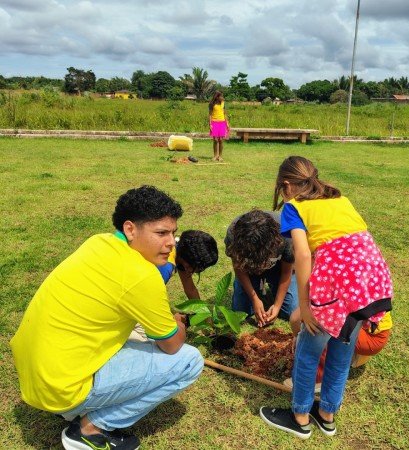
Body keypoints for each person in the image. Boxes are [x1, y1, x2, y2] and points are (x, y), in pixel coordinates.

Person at [10, 186, 204, 450]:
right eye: (161, 233)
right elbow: (171, 345)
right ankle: (89, 430)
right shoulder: (142, 276)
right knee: (189, 361)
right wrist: (179, 325)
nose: (171, 242)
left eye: (173, 232)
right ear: (130, 229)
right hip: (60, 388)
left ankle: (73, 407)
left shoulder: (99, 242)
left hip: (35, 375)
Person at [260, 156, 393, 439]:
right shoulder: (340, 200)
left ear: (286, 185)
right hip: (368, 284)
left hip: (337, 286)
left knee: (308, 352)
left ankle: (299, 418)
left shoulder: (294, 207)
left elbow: (302, 254)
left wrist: (305, 306)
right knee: (342, 351)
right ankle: (327, 415)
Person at [225, 209, 299, 327]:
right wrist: (254, 299)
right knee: (240, 311)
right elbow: (238, 267)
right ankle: (257, 290)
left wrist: (277, 306)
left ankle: (272, 289)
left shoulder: (286, 234)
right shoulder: (234, 234)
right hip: (248, 270)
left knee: (292, 311)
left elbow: (287, 272)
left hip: (278, 269)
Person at [158, 230, 219, 300]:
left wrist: (200, 307)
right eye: (199, 268)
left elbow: (191, 290)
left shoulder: (180, 250)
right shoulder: (165, 268)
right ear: (189, 265)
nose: (199, 270)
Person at [208, 90, 230, 162]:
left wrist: (227, 123)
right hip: (214, 122)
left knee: (221, 140)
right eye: (221, 96)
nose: (222, 97)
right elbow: (210, 114)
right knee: (215, 140)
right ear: (217, 97)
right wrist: (210, 124)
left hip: (222, 122)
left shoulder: (223, 103)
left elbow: (225, 114)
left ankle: (220, 156)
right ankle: (215, 156)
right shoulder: (211, 104)